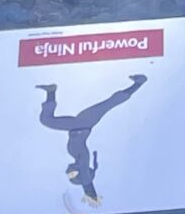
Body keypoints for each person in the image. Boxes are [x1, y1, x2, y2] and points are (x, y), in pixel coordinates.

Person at [35, 73, 147, 204]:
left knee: (46, 120)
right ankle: (138, 83)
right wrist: (90, 194)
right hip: (85, 123)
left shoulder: (74, 155)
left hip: (73, 126)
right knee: (109, 103)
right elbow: (86, 179)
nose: (68, 171)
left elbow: (83, 176)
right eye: (71, 174)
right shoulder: (82, 158)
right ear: (79, 172)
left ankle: (51, 91)